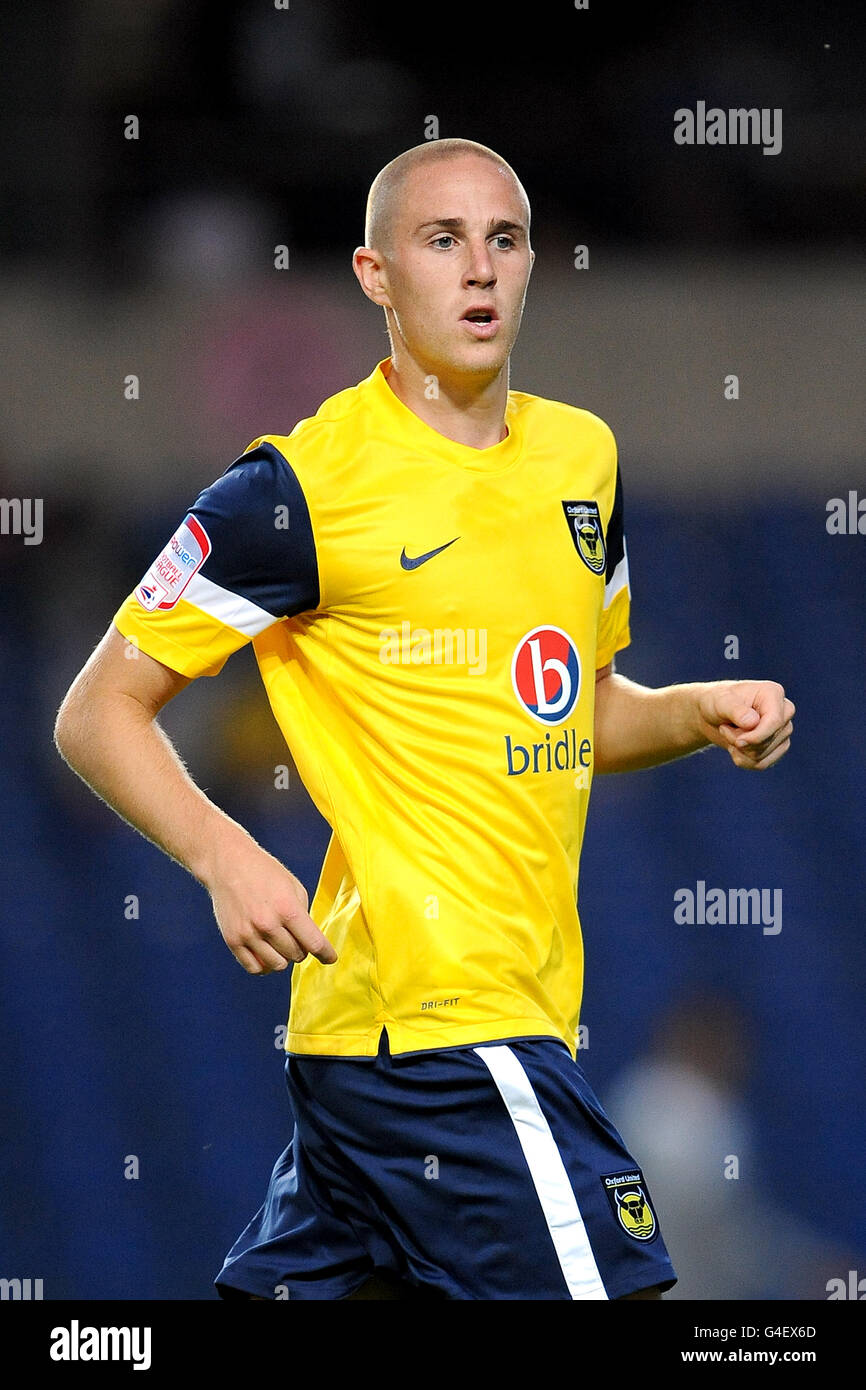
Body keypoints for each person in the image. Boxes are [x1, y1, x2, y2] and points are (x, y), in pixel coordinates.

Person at [54, 137, 795, 1301]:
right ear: (373, 275)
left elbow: (576, 713)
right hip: (444, 1030)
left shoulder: (579, 460)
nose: (478, 271)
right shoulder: (297, 489)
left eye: (502, 240)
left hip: (383, 1045)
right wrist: (225, 853)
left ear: (534, 261)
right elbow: (96, 712)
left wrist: (695, 710)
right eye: (440, 241)